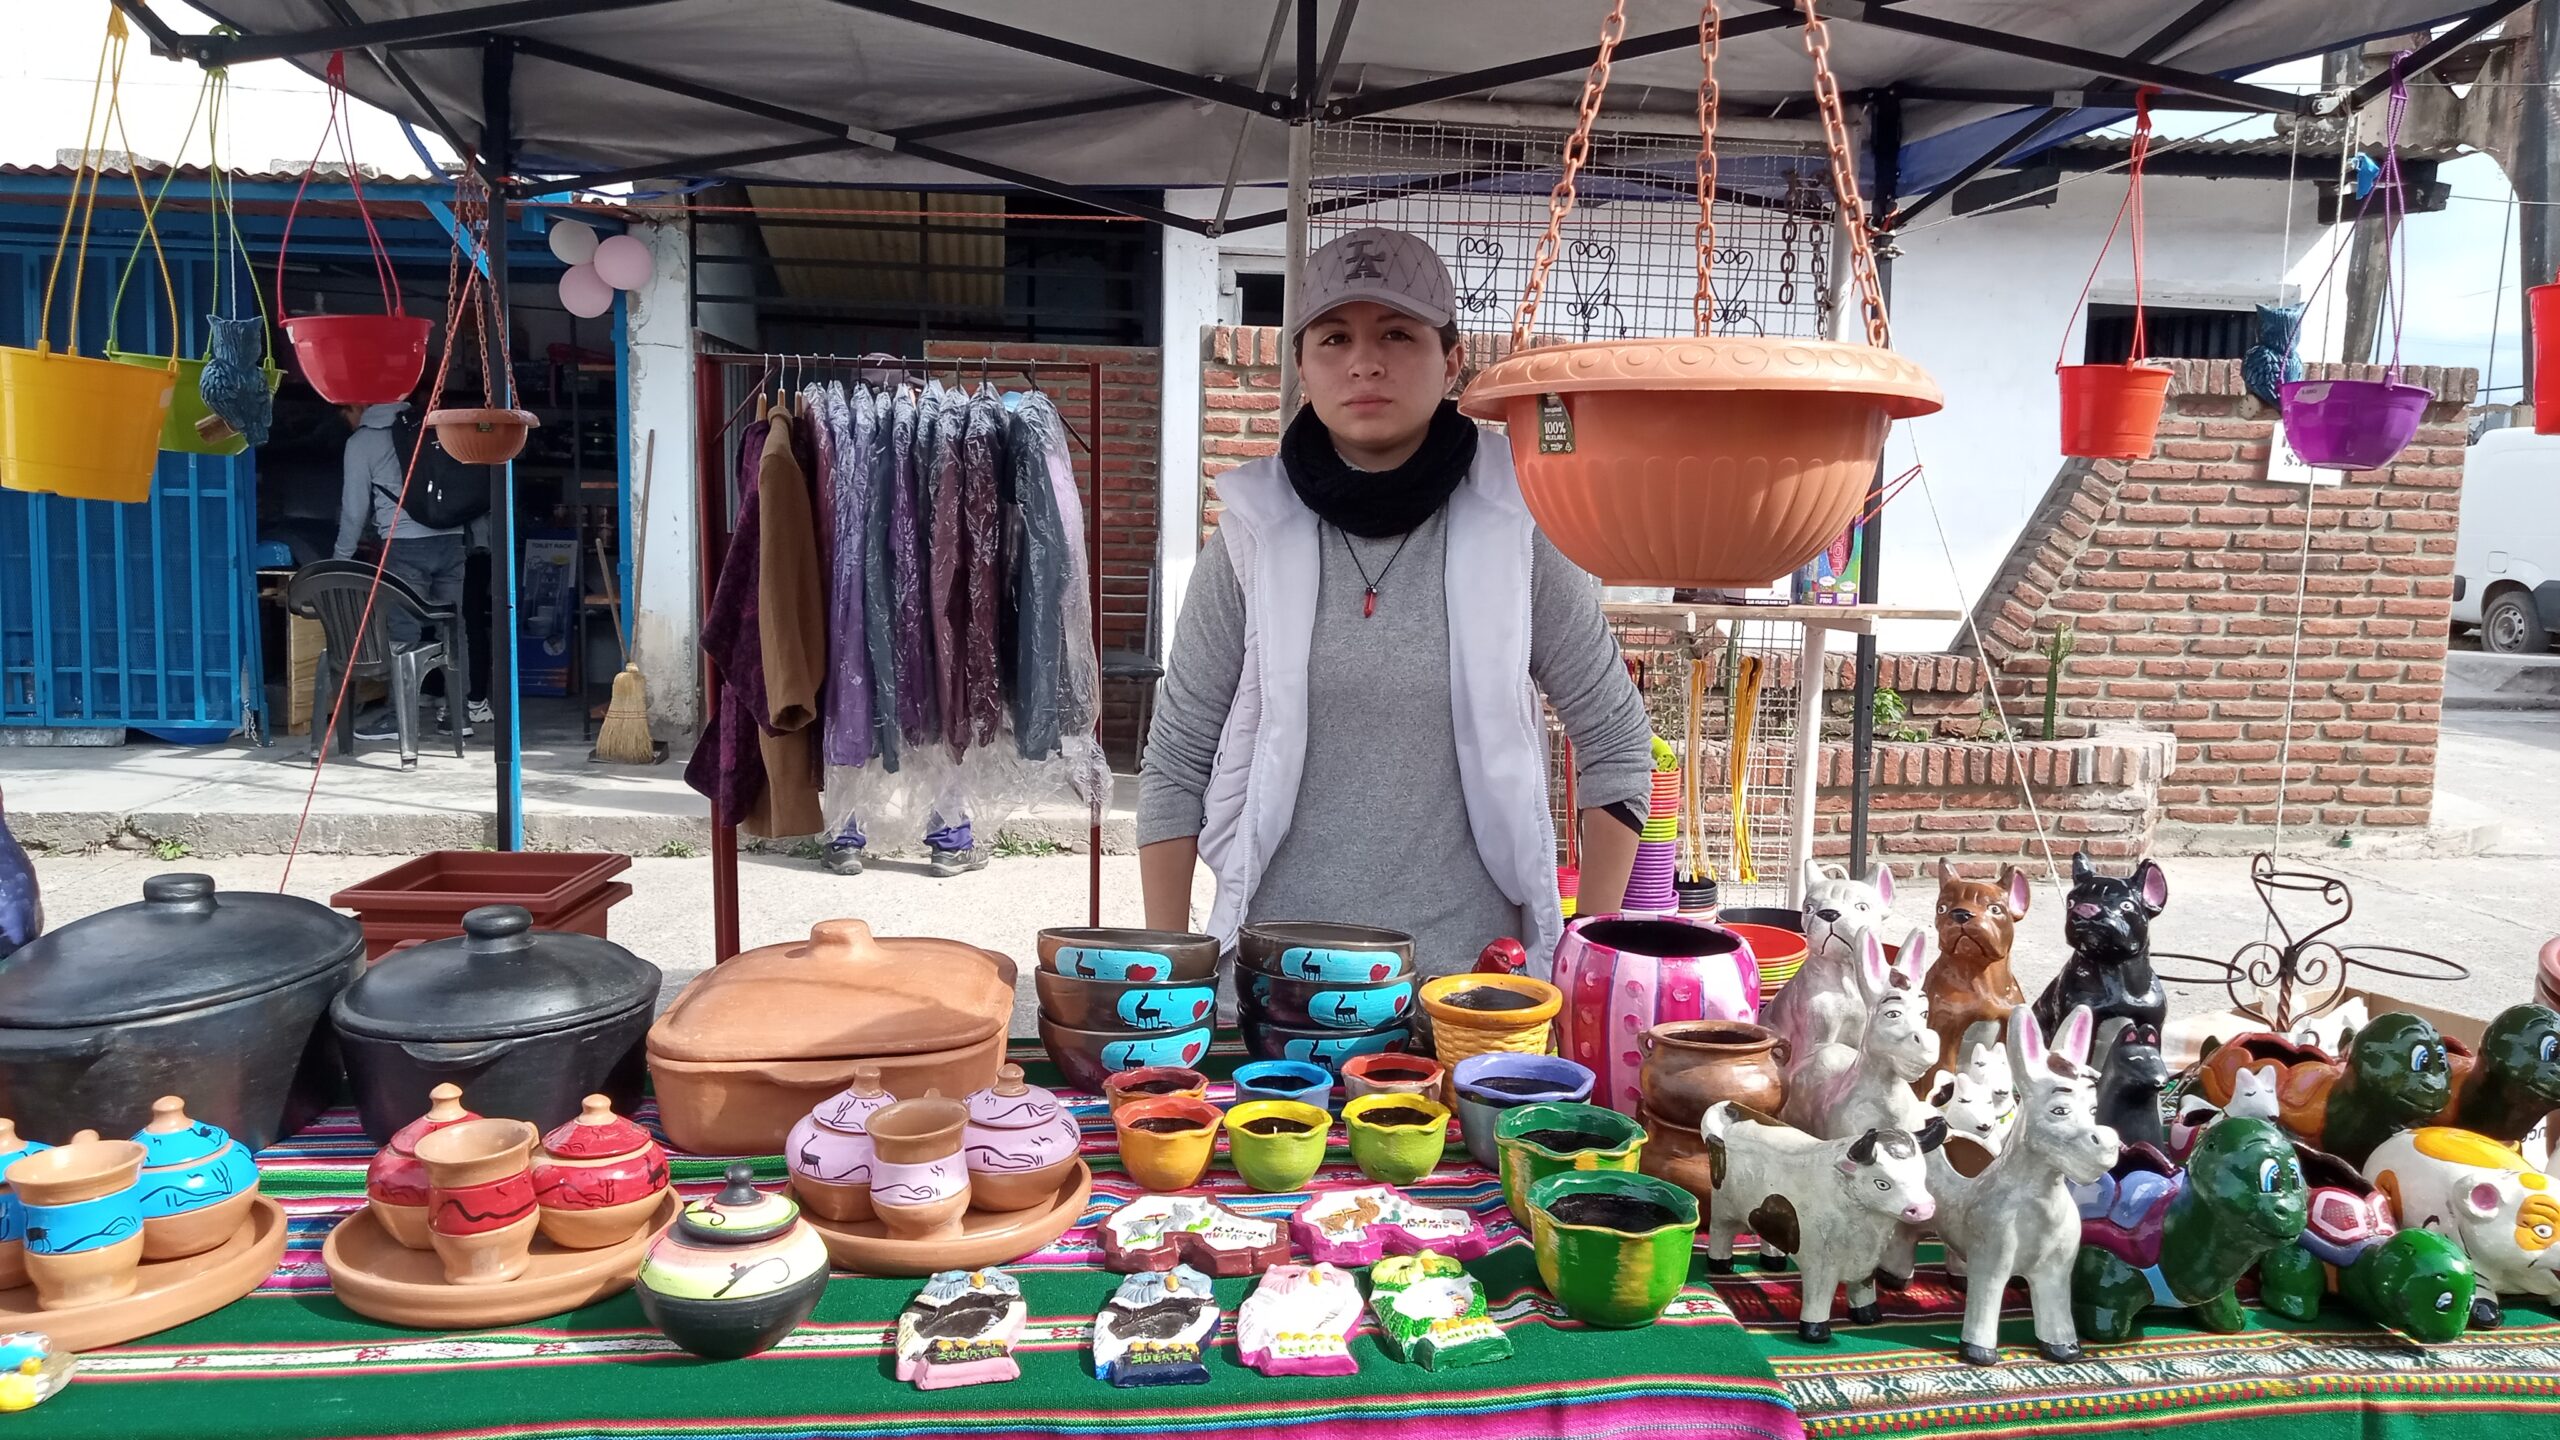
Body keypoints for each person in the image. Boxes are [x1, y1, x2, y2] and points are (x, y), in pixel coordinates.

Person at [1137, 227, 1650, 982]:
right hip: (1278, 989)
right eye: (1335, 337)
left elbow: (1615, 741)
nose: (1364, 361)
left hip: (1469, 996)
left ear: (1450, 362)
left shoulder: (1518, 526)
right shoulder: (1252, 534)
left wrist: (1585, 962)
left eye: (1397, 334)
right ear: (1303, 366)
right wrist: (1172, 971)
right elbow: (1176, 760)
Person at [331, 399, 488, 740]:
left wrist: (339, 559)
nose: (346, 419)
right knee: (453, 628)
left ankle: (396, 719)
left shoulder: (363, 442)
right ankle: (458, 716)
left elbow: (354, 510)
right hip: (451, 539)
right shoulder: (431, 426)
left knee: (402, 634)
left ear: (359, 405)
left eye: (345, 411)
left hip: (402, 545)